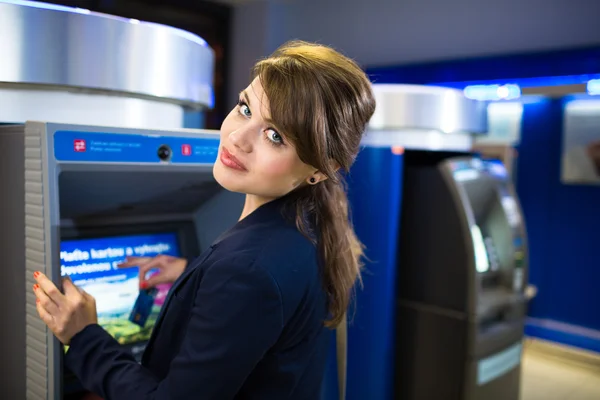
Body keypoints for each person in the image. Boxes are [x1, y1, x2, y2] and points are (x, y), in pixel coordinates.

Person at [32, 40, 376, 399]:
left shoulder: (247, 270)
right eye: (245, 109)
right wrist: (191, 274)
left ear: (321, 170)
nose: (237, 139)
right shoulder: (311, 226)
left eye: (275, 136)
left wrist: (83, 335)